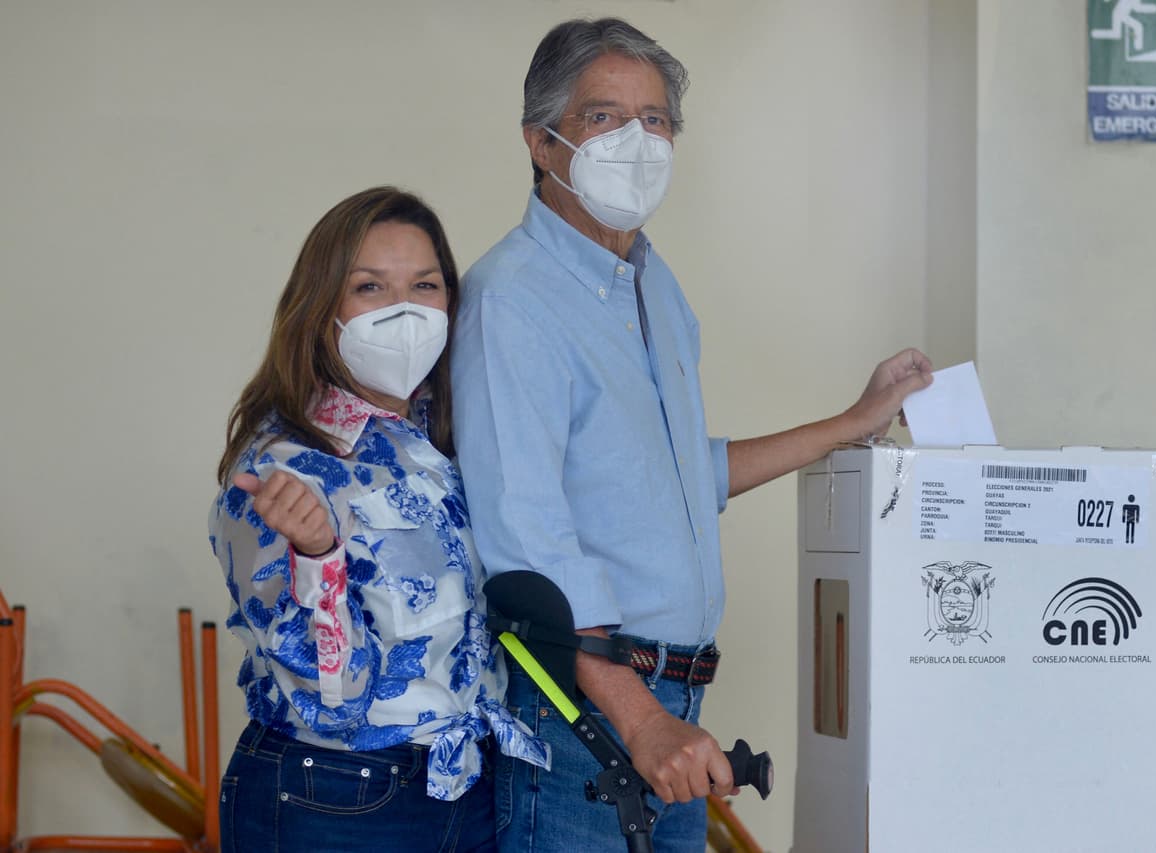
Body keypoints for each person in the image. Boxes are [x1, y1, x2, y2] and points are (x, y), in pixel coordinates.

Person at [450, 17, 933, 853]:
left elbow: (674, 483)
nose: (636, 140)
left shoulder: (651, 284)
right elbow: (527, 544)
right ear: (542, 141)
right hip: (584, 715)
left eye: (656, 120)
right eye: (604, 117)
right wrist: (640, 721)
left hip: (674, 713)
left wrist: (850, 423)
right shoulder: (513, 302)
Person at [209, 186, 548, 853]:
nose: (404, 310)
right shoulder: (283, 466)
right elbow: (333, 699)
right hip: (336, 796)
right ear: (322, 309)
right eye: (370, 286)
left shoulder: (439, 439)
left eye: (424, 284)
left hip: (466, 786)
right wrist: (316, 552)